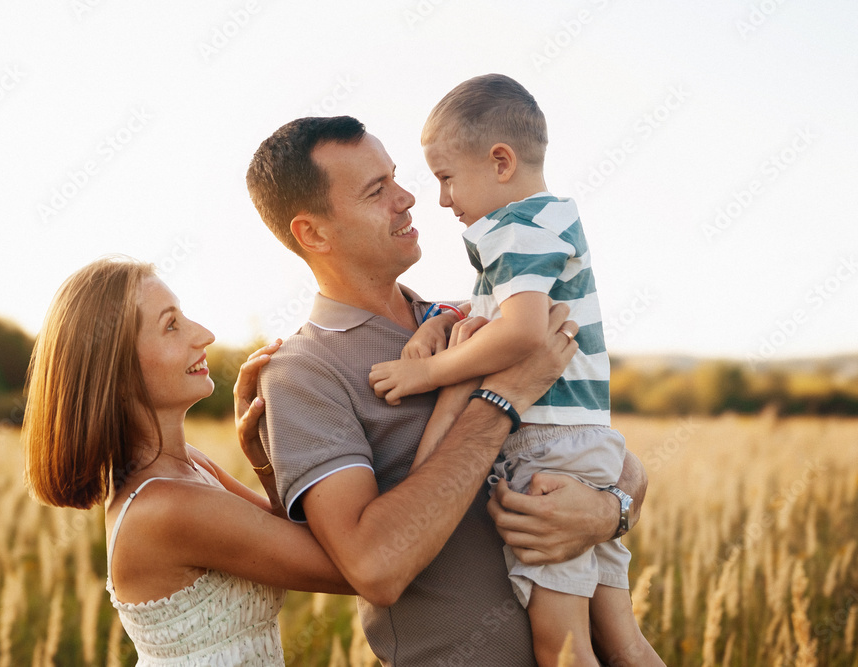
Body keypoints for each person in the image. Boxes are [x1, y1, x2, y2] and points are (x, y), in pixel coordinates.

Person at [244, 115, 649, 666]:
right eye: (377, 190)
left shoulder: (478, 321)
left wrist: (608, 511)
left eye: (395, 177)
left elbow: (604, 451)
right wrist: (500, 401)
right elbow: (376, 568)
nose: (409, 198)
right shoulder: (302, 373)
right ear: (313, 233)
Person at [366, 74, 663, 666]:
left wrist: (430, 373)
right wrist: (444, 319)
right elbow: (498, 310)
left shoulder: (513, 230)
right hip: (584, 448)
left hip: (545, 453)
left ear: (500, 162)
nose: (442, 200)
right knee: (623, 642)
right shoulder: (547, 221)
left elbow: (523, 330)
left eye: (446, 177)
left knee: (562, 646)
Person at [20, 256, 355, 666]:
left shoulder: (189, 466)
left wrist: (260, 456)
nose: (205, 335)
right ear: (118, 373)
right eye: (171, 325)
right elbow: (356, 567)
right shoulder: (167, 507)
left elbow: (300, 535)